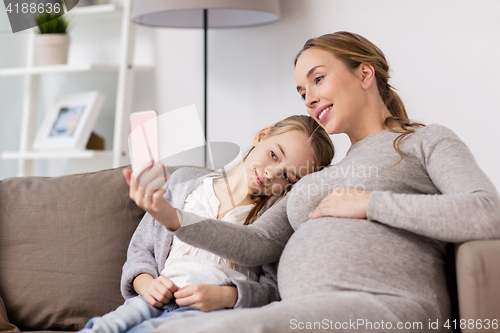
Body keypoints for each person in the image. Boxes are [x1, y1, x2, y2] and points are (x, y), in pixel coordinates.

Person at [140, 32, 500, 333]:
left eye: (318, 78)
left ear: (364, 74)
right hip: (307, 312)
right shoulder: (316, 175)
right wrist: (174, 219)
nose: (309, 98)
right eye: (301, 92)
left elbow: (487, 213)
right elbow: (257, 243)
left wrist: (369, 204)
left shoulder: (422, 141)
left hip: (387, 307)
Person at [78, 115, 335, 333]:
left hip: (206, 314)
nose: (270, 173)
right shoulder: (185, 182)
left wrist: (229, 296)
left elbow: (273, 288)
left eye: (287, 176)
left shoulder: (274, 218)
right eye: (273, 155)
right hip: (154, 298)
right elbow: (140, 250)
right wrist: (146, 284)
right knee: (105, 327)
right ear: (261, 136)